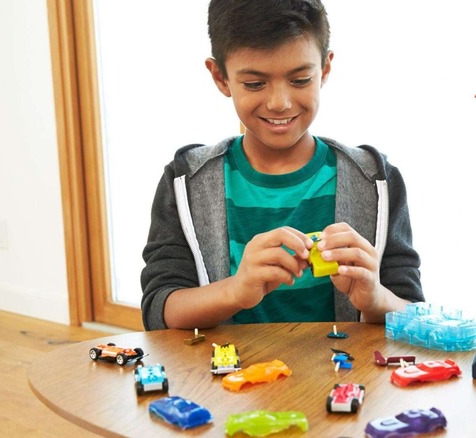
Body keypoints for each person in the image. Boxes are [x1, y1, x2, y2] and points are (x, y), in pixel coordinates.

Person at [140, 0, 423, 330]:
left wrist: (375, 299)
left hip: (343, 379)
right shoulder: (185, 181)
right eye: (255, 84)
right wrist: (235, 290)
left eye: (300, 79)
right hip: (224, 380)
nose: (280, 103)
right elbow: (159, 309)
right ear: (220, 77)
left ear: (325, 69)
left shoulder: (376, 180)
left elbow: (413, 312)